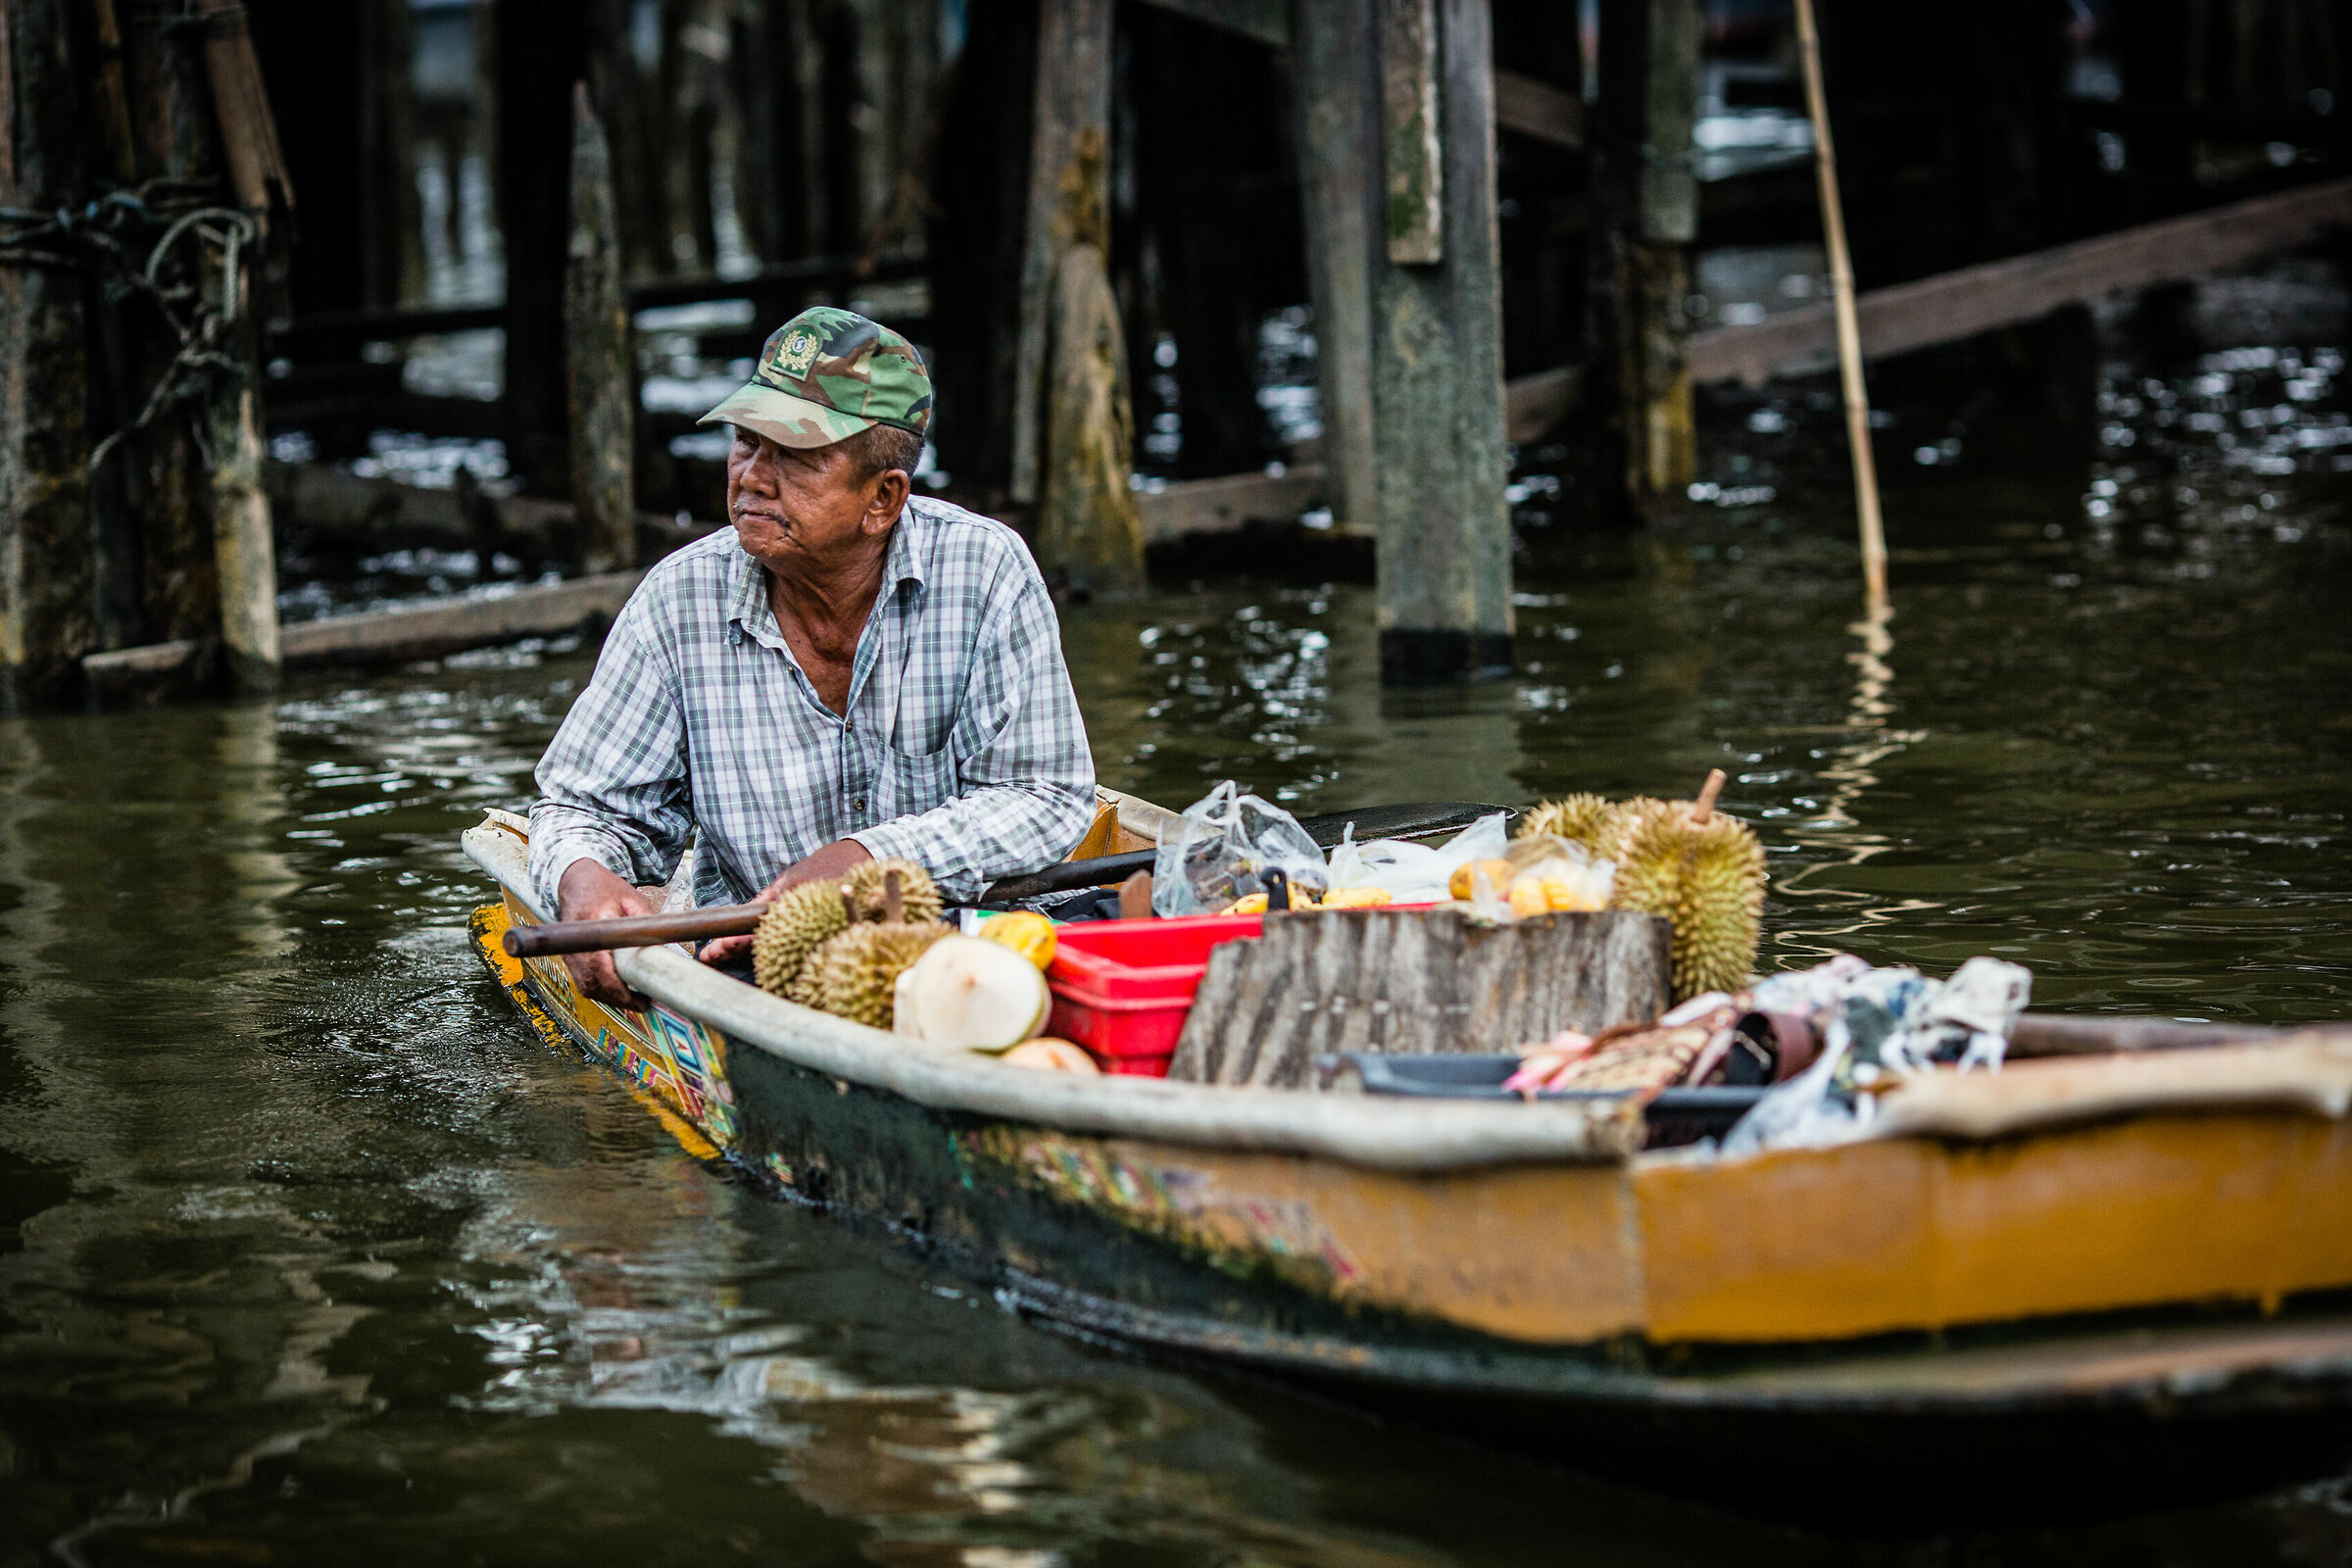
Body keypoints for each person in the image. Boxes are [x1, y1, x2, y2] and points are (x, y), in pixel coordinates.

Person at [529, 307, 1098, 1009]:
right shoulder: (679, 600)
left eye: (795, 457)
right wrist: (585, 878)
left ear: (883, 499)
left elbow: (1045, 797)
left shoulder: (985, 571)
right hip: (757, 960)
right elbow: (585, 807)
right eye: (745, 442)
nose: (752, 479)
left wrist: (867, 860)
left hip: (967, 950)